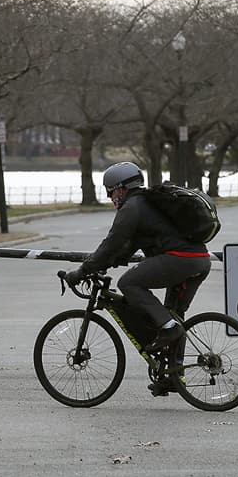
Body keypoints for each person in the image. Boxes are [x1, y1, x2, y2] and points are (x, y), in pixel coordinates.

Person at [65, 162, 211, 396]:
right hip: (200, 260)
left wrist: (82, 271)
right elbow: (126, 245)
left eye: (110, 191)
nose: (110, 197)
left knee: (129, 284)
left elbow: (111, 242)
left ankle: (168, 328)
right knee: (173, 314)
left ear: (121, 188)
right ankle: (174, 375)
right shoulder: (147, 202)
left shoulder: (132, 207)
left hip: (180, 259)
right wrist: (110, 262)